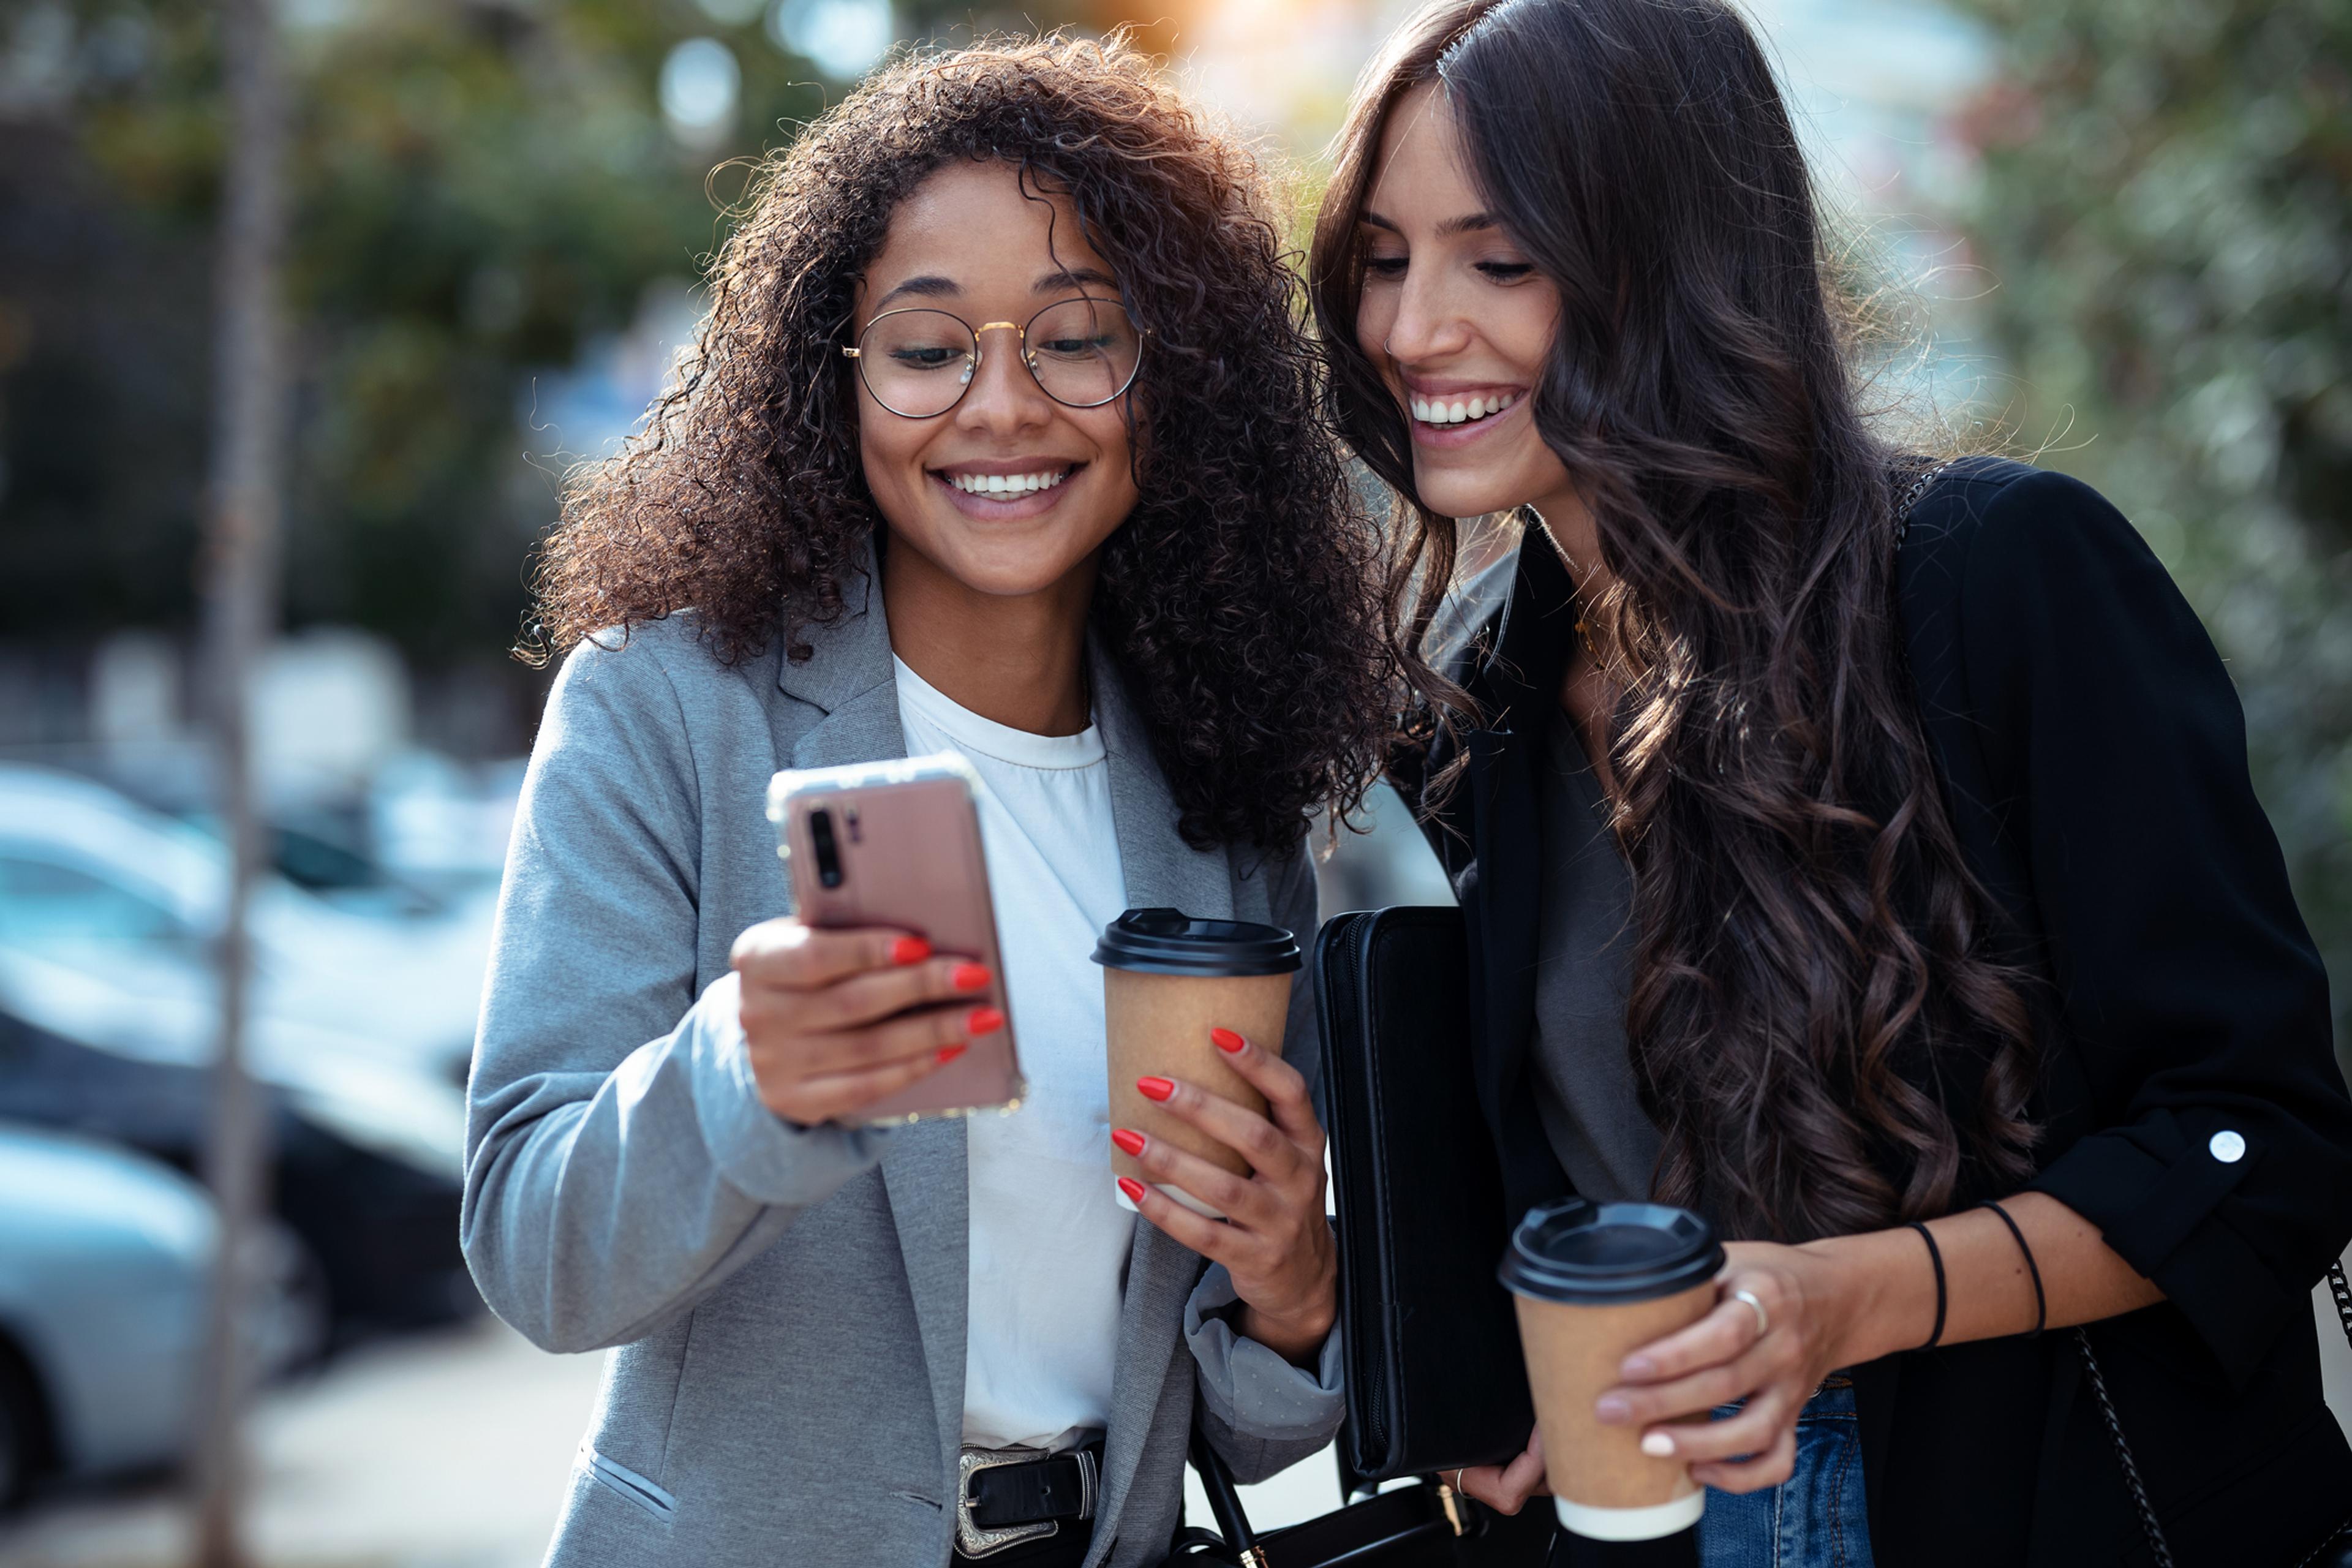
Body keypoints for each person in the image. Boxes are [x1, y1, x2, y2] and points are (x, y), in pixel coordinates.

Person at [1306, 0, 2352, 1562]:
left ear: (1671, 261)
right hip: (1657, 1523)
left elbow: (2258, 1134)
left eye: (1500, 260)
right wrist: (1481, 1382)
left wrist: (1846, 1298)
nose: (1409, 325)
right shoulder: (1472, 702)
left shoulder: (1999, 579)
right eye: (1385, 258)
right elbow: (1541, 1173)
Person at [465, 36, 1388, 1567]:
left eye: (1079, 338)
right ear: (837, 377)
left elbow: (1227, 1411)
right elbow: (534, 1252)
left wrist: (1299, 1282)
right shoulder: (672, 708)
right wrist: (742, 1071)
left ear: (1179, 384)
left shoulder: (1223, 791)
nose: (1002, 405)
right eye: (926, 345)